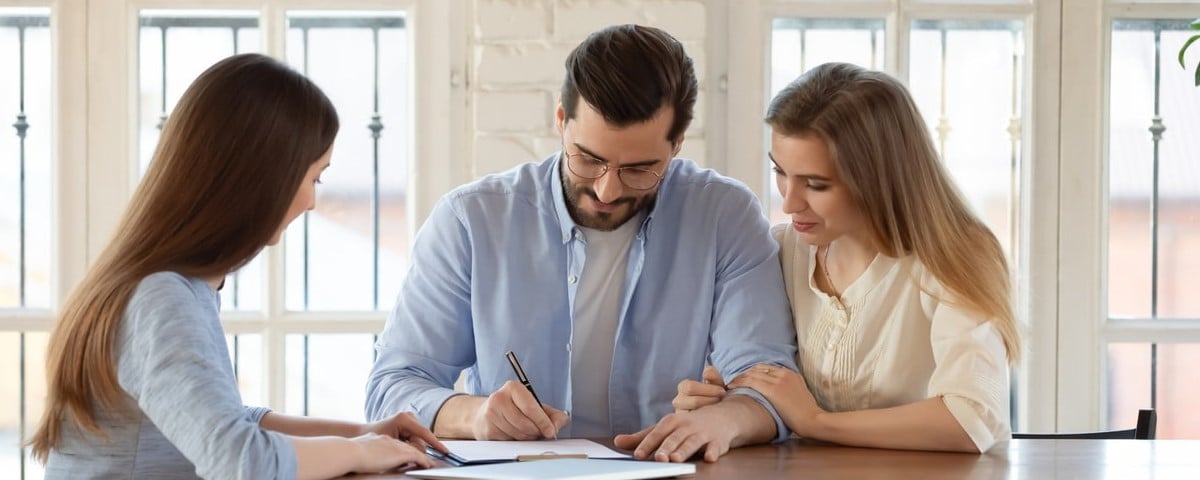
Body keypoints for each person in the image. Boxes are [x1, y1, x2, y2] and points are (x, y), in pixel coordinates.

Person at [365, 24, 797, 463]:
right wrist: (474, 415)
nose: (607, 191)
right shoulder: (471, 221)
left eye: (640, 169)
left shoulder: (725, 216)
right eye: (588, 160)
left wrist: (725, 419)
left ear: (677, 144)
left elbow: (770, 384)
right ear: (560, 121)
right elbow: (391, 388)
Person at [28, 53, 447, 479]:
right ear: (261, 179)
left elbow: (227, 421)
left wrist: (363, 434)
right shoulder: (162, 297)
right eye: (313, 178)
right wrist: (360, 454)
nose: (312, 201)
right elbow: (238, 459)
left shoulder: (173, 285)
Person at [673, 62, 1021, 453]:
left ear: (879, 177)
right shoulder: (782, 251)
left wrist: (815, 421)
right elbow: (766, 387)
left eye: (816, 185)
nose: (788, 202)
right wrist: (734, 404)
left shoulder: (958, 253)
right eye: (781, 172)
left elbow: (971, 418)